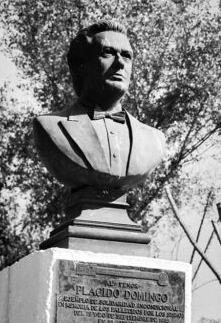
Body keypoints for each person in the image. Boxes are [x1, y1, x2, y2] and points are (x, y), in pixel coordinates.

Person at [33, 20, 166, 208]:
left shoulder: (154, 140)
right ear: (81, 66)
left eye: (127, 56)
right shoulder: (49, 127)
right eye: (107, 53)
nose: (120, 63)